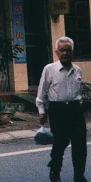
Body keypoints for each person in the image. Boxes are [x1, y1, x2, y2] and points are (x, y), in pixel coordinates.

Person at [36, 36, 87, 182]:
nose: (65, 53)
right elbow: (42, 92)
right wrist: (41, 111)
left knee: (80, 145)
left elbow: (78, 92)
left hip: (75, 110)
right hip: (58, 110)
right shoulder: (49, 69)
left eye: (68, 50)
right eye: (62, 50)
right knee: (60, 143)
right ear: (57, 52)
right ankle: (55, 171)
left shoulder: (77, 70)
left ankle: (79, 175)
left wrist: (79, 106)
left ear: (72, 52)